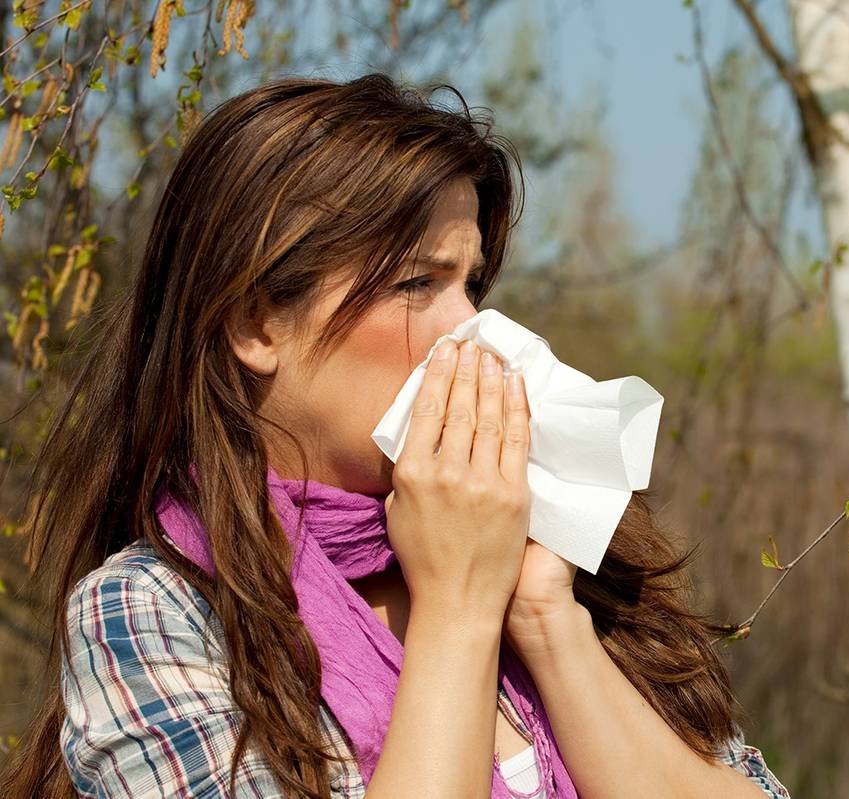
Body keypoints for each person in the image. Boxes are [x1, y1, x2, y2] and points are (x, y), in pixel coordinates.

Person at [0, 73, 790, 798]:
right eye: (419, 283)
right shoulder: (154, 613)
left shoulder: (564, 569)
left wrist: (547, 618)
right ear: (256, 322)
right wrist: (455, 607)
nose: (472, 327)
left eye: (471, 283)